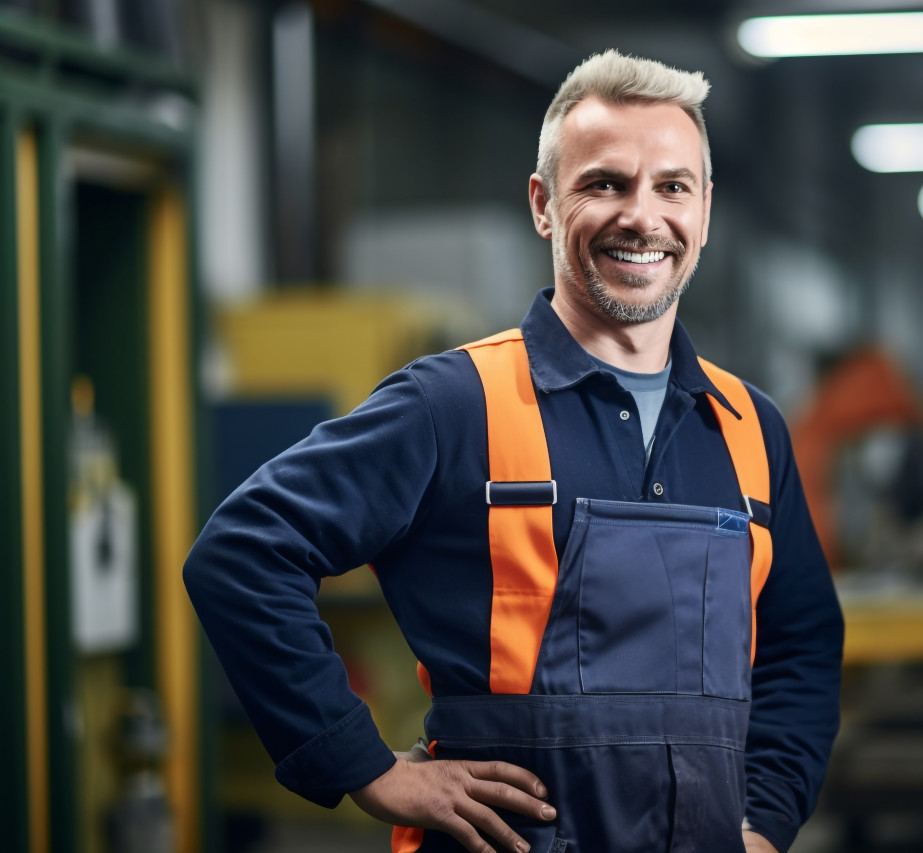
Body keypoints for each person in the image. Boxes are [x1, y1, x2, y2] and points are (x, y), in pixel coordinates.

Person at [184, 50, 844, 853]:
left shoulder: (749, 426)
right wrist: (363, 765)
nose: (643, 216)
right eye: (604, 183)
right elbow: (243, 553)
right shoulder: (454, 405)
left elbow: (801, 646)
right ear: (542, 203)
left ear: (705, 208)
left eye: (672, 185)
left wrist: (765, 822)